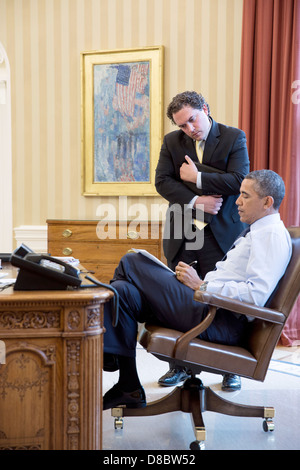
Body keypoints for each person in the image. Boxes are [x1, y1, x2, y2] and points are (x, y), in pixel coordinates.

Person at [102, 170, 292, 410]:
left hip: (218, 319)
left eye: (245, 196)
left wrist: (201, 285)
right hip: (209, 308)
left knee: (132, 262)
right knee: (122, 291)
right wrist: (198, 284)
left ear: (267, 202)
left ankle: (109, 353)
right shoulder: (259, 231)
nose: (238, 201)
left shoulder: (271, 234)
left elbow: (256, 295)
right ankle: (128, 386)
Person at [155, 91, 250, 390]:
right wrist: (198, 200)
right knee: (180, 299)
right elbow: (162, 181)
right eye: (182, 125)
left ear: (205, 109)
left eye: (192, 120)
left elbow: (239, 180)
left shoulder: (234, 137)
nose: (189, 129)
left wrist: (197, 177)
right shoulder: (172, 142)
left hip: (221, 234)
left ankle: (230, 368)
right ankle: (179, 366)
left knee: (222, 298)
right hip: (183, 231)